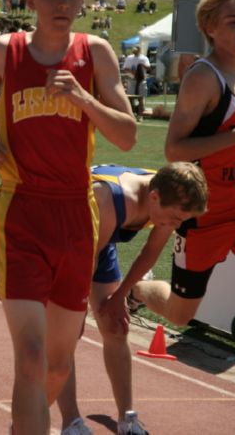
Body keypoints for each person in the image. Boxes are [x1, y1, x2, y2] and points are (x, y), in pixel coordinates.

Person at [0, 0, 137, 434]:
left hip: (77, 218)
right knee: (32, 358)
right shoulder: (4, 51)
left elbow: (127, 135)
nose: (63, 3)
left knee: (58, 367)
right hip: (21, 214)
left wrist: (82, 97)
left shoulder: (95, 53)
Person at [129, 0, 235, 433]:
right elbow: (175, 149)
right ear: (210, 28)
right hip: (205, 215)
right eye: (233, 21)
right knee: (180, 314)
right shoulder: (201, 78)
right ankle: (139, 291)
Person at [57, 162, 209, 435]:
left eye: (181, 221)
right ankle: (70, 421)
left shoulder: (165, 197)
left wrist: (119, 295)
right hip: (62, 240)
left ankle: (126, 418)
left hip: (97, 244)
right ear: (154, 198)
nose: (176, 225)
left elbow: (150, 252)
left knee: (115, 327)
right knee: (65, 336)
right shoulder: (109, 199)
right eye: (175, 218)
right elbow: (83, 264)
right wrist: (75, 311)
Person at [123, 46, 151, 120]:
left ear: (139, 50)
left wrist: (141, 65)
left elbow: (148, 67)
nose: (134, 51)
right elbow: (125, 68)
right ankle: (131, 114)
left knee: (141, 98)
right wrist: (132, 72)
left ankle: (140, 115)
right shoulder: (129, 58)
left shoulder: (144, 58)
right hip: (131, 80)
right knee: (130, 98)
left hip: (141, 80)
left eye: (136, 50)